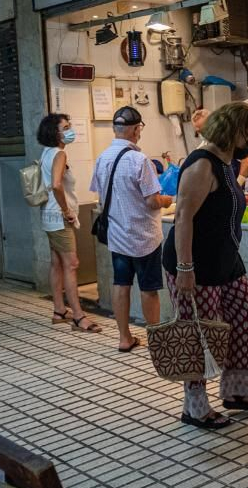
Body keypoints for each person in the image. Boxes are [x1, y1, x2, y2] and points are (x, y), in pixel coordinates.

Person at [164, 101, 248, 428]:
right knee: (201, 334)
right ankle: (194, 406)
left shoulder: (226, 162)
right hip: (196, 264)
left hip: (226, 260)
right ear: (232, 132)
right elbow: (182, 218)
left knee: (247, 315)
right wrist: (185, 269)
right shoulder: (202, 165)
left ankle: (239, 392)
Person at [90, 106, 172, 353]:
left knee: (121, 284)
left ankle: (124, 338)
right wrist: (167, 200)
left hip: (117, 235)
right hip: (144, 237)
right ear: (136, 130)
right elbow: (151, 201)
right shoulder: (139, 160)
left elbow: (100, 197)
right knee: (149, 289)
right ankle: (156, 341)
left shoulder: (102, 158)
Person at [36, 113, 99, 332]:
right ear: (55, 132)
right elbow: (56, 185)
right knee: (71, 265)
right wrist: (67, 211)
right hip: (59, 216)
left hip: (47, 215)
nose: (70, 130)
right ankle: (79, 317)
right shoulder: (59, 154)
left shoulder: (46, 153)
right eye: (66, 127)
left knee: (57, 263)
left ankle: (59, 310)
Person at [192, 106, 248, 183]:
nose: (201, 134)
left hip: (243, 187)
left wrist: (237, 184)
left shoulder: (230, 139)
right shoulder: (201, 149)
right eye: (198, 131)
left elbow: (247, 161)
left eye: (204, 129)